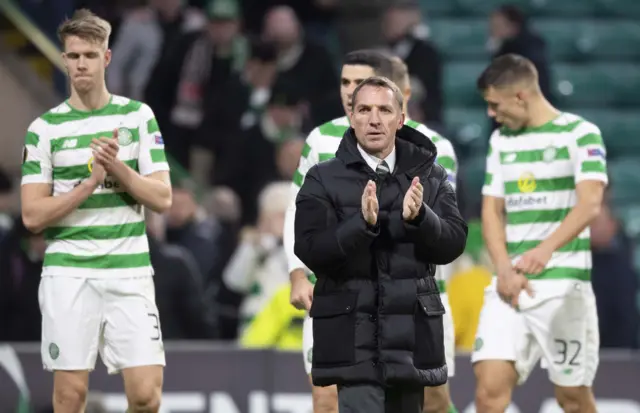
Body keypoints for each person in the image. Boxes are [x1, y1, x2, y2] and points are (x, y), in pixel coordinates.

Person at [283, 50, 459, 413]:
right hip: (352, 334)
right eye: (364, 110)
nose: (373, 120)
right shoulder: (322, 175)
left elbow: (453, 244)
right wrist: (360, 226)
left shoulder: (432, 173)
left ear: (401, 118)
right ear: (351, 115)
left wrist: (421, 218)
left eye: (384, 111)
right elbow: (310, 248)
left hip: (411, 335)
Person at [20, 9, 171, 413]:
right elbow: (32, 216)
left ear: (106, 58)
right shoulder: (44, 129)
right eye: (73, 56)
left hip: (129, 270)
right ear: (65, 59)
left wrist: (118, 169)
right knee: (70, 397)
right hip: (69, 272)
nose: (81, 64)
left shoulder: (138, 117)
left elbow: (162, 198)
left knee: (145, 395)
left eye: (90, 55)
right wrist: (87, 186)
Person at [472, 54, 606, 413]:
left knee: (572, 399)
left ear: (520, 96)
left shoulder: (581, 134)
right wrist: (503, 268)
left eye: (494, 104)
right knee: (488, 391)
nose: (490, 114)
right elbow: (491, 210)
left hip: (564, 287)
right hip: (510, 285)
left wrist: (544, 250)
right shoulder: (501, 141)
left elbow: (590, 203)